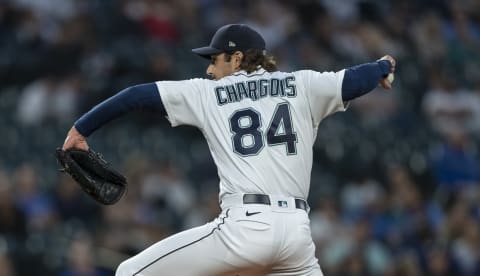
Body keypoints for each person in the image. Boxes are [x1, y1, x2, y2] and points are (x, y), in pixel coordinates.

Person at [61, 24, 396, 275]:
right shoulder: (303, 84)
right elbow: (355, 78)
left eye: (214, 59)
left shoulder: (207, 93)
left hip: (244, 228)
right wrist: (383, 66)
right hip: (296, 235)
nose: (209, 68)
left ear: (237, 59)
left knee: (128, 272)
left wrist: (80, 130)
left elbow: (135, 95)